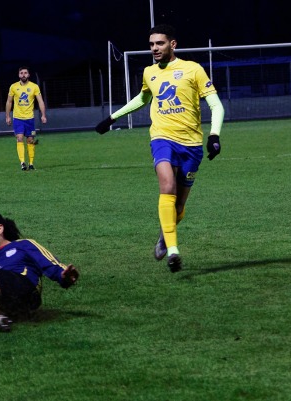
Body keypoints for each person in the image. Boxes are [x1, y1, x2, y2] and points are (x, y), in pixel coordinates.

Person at [95, 24, 225, 272]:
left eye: (160, 43)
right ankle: (174, 252)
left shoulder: (193, 69)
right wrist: (112, 118)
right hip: (162, 138)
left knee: (179, 206)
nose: (154, 48)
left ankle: (166, 236)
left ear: (172, 44)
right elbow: (143, 98)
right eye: (151, 44)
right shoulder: (149, 72)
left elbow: (216, 105)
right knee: (167, 187)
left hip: (191, 144)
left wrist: (214, 135)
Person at [5, 66, 47, 171]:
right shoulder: (13, 87)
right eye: (21, 73)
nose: (23, 75)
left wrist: (43, 115)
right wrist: (7, 116)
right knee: (19, 138)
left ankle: (31, 164)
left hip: (30, 119)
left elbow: (40, 101)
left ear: (28, 75)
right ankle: (23, 163)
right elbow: (9, 102)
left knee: (30, 140)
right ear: (18, 75)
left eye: (25, 73)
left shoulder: (34, 87)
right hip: (18, 118)